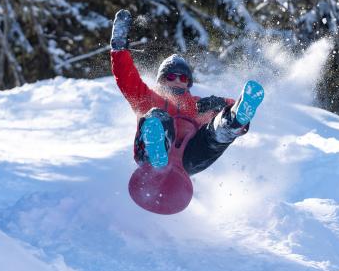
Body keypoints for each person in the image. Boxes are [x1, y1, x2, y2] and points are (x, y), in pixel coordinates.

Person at [110, 9, 264, 175]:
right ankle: (156, 150)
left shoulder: (197, 105)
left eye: (183, 78)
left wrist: (220, 104)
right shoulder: (147, 98)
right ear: (161, 80)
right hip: (148, 157)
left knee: (214, 133)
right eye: (171, 76)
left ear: (188, 83)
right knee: (157, 116)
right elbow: (125, 78)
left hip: (189, 160)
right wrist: (119, 48)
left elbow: (228, 107)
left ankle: (233, 123)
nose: (177, 80)